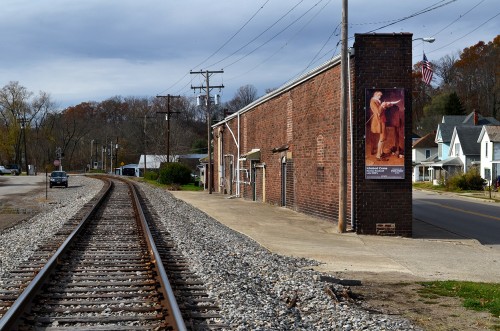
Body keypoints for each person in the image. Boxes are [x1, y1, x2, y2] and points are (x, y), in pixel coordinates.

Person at [369, 91, 389, 161]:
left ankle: (381, 152)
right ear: (375, 95)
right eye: (379, 95)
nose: (380, 97)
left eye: (380, 96)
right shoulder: (373, 102)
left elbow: (381, 111)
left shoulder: (377, 101)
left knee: (384, 137)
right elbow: (378, 112)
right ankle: (378, 155)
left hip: (382, 120)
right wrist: (382, 105)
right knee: (382, 137)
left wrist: (386, 105)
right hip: (379, 121)